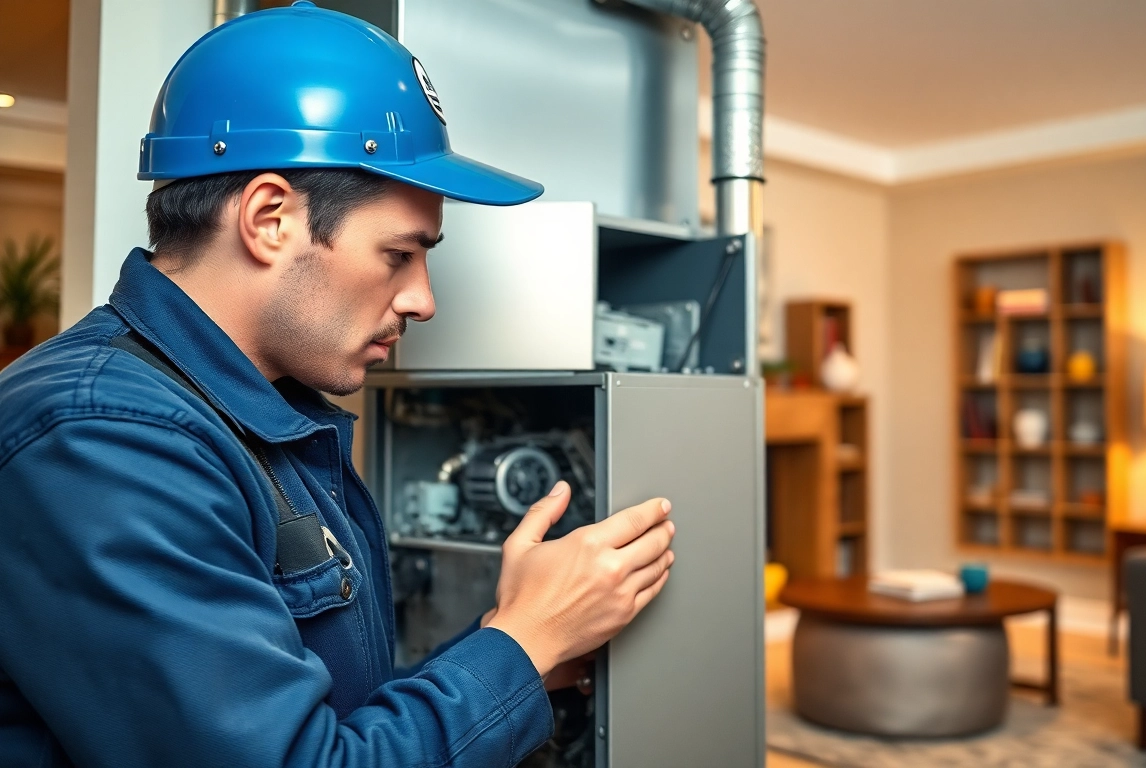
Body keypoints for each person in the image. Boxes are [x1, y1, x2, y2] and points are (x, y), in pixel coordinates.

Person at [0, 3, 675, 766]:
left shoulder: (266, 420)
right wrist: (525, 640)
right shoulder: (102, 440)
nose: (424, 299)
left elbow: (325, 720)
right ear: (269, 219)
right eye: (398, 254)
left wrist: (509, 650)